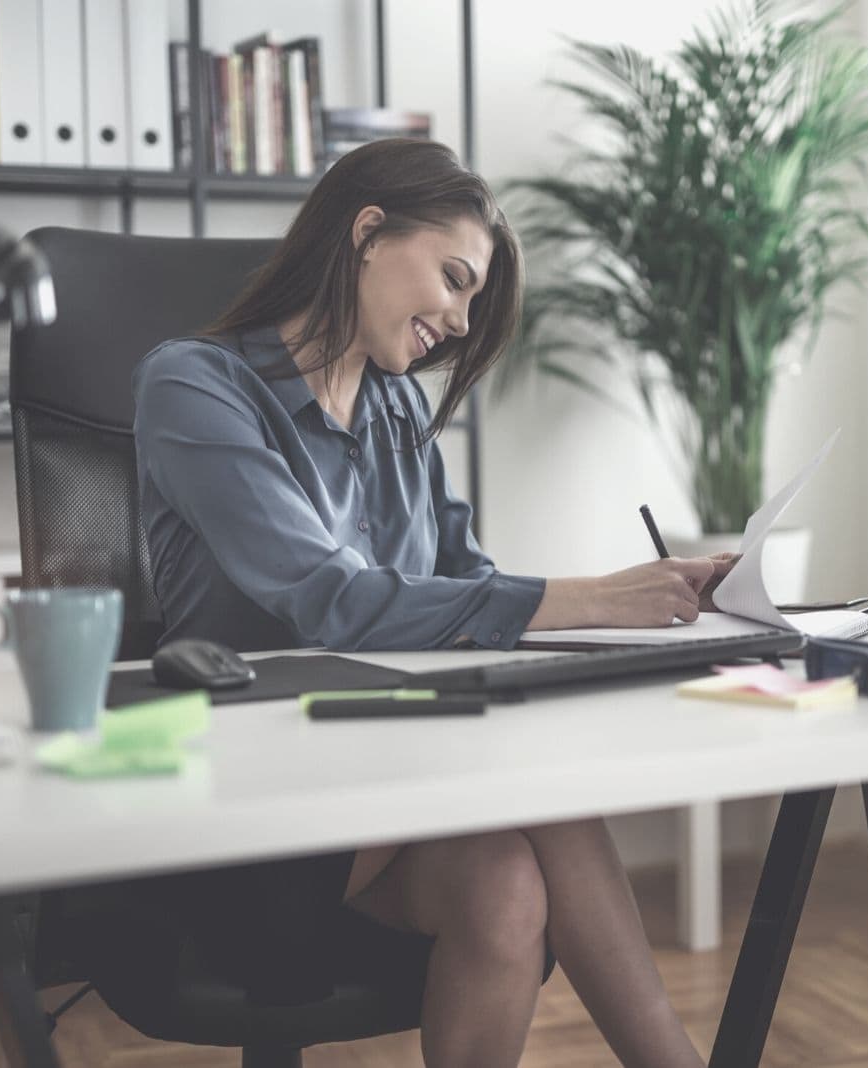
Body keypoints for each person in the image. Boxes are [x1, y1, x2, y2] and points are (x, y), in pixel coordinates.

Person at [132, 138, 732, 1068]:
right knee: (548, 793)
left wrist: (644, 605)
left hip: (377, 786)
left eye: (472, 300)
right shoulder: (194, 385)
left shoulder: (395, 413)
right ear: (368, 233)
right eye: (454, 280)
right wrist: (595, 598)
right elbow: (333, 598)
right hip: (237, 810)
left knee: (506, 889)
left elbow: (466, 596)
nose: (457, 321)